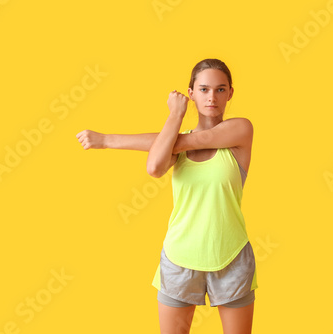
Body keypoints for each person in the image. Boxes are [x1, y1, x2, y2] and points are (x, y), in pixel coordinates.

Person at [76, 58, 257, 334]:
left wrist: (108, 140)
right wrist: (174, 117)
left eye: (221, 90)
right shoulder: (173, 145)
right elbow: (155, 167)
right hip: (179, 257)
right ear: (191, 93)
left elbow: (197, 140)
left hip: (231, 257)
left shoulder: (240, 130)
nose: (212, 97)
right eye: (204, 89)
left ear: (230, 93)